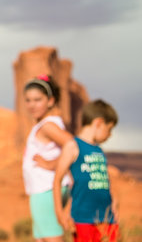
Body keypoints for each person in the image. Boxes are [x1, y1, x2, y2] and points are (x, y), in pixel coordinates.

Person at [53, 99, 119, 242]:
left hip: (107, 218)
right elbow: (57, 179)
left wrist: (113, 202)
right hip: (83, 218)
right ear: (99, 123)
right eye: (109, 129)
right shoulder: (73, 146)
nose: (110, 135)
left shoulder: (99, 150)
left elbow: (104, 179)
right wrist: (59, 212)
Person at [22, 74, 73, 242]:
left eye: (37, 100)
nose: (32, 105)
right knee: (42, 238)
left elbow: (73, 145)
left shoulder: (48, 126)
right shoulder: (46, 124)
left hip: (46, 190)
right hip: (44, 189)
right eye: (28, 100)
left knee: (52, 238)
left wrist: (52, 164)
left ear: (50, 101)